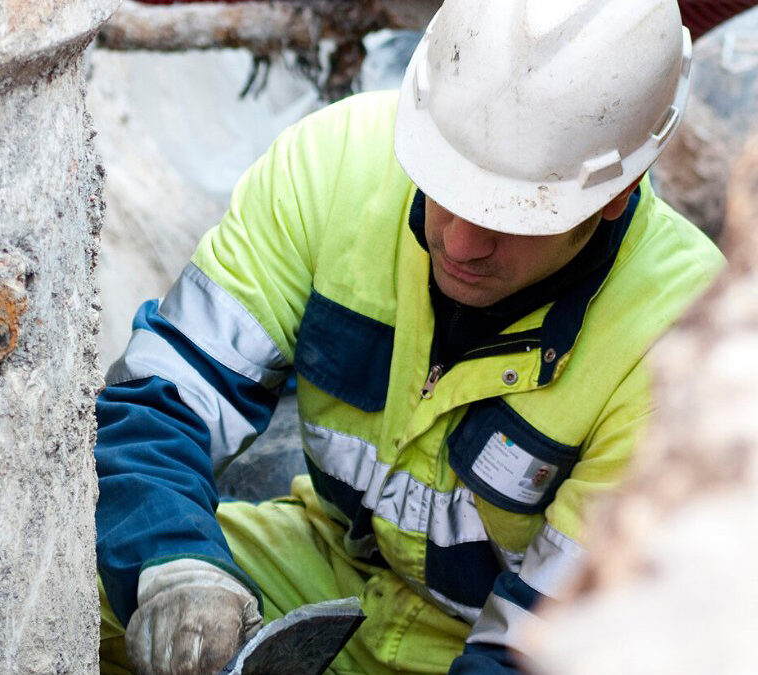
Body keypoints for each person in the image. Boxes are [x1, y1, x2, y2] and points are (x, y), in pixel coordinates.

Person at [94, 1, 725, 673]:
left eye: (513, 218)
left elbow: (553, 644)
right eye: (446, 182)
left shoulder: (686, 343)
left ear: (616, 193)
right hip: (333, 568)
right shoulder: (331, 167)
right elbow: (163, 399)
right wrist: (175, 566)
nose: (458, 241)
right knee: (77, 576)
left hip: (500, 638)